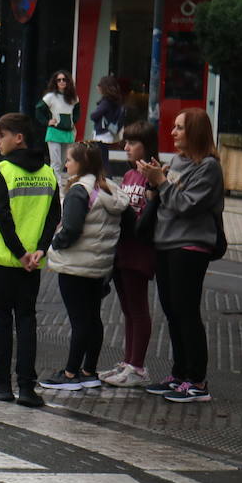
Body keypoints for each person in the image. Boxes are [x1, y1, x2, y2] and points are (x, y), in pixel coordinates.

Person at [139, 108, 224, 404]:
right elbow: (166, 200)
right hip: (165, 242)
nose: (172, 133)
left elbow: (187, 205)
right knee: (172, 310)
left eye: (179, 128)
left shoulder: (209, 167)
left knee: (187, 311)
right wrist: (154, 182)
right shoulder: (176, 161)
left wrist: (161, 182)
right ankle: (179, 374)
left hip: (190, 245)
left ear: (195, 133)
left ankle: (197, 380)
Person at [0, 112, 60, 408]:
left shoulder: (3, 170)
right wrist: (39, 249)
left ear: (19, 138)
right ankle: (27, 388)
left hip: (5, 260)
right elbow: (54, 216)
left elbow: (3, 216)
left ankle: (1, 384)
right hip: (32, 263)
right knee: (26, 322)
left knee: (0, 321)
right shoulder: (48, 172)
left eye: (1, 135)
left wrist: (18, 252)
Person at [41, 143, 128, 392]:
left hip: (75, 265)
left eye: (69, 160)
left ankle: (70, 373)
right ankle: (89, 370)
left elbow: (71, 228)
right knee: (93, 318)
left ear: (82, 164)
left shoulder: (79, 191)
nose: (66, 164)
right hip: (99, 265)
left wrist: (54, 244)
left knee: (79, 320)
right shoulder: (109, 189)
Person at [104, 120, 157, 387]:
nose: (126, 147)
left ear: (146, 146)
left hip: (140, 249)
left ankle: (137, 366)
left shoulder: (152, 174)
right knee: (127, 307)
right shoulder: (127, 176)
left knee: (138, 307)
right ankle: (128, 361)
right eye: (126, 142)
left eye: (132, 143)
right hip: (122, 247)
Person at [36, 70, 80, 187]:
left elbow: (77, 112)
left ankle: (56, 185)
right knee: (55, 162)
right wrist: (47, 122)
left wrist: (72, 122)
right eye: (59, 80)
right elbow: (39, 109)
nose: (61, 82)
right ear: (55, 82)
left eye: (64, 79)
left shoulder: (73, 97)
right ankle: (56, 186)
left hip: (67, 133)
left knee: (63, 162)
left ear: (68, 81)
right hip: (54, 132)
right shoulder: (50, 97)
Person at [88, 75, 123, 163]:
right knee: (103, 158)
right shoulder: (114, 101)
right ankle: (106, 176)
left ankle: (107, 177)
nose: (97, 87)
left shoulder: (106, 102)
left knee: (102, 160)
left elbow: (93, 116)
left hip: (102, 134)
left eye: (99, 85)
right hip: (108, 132)